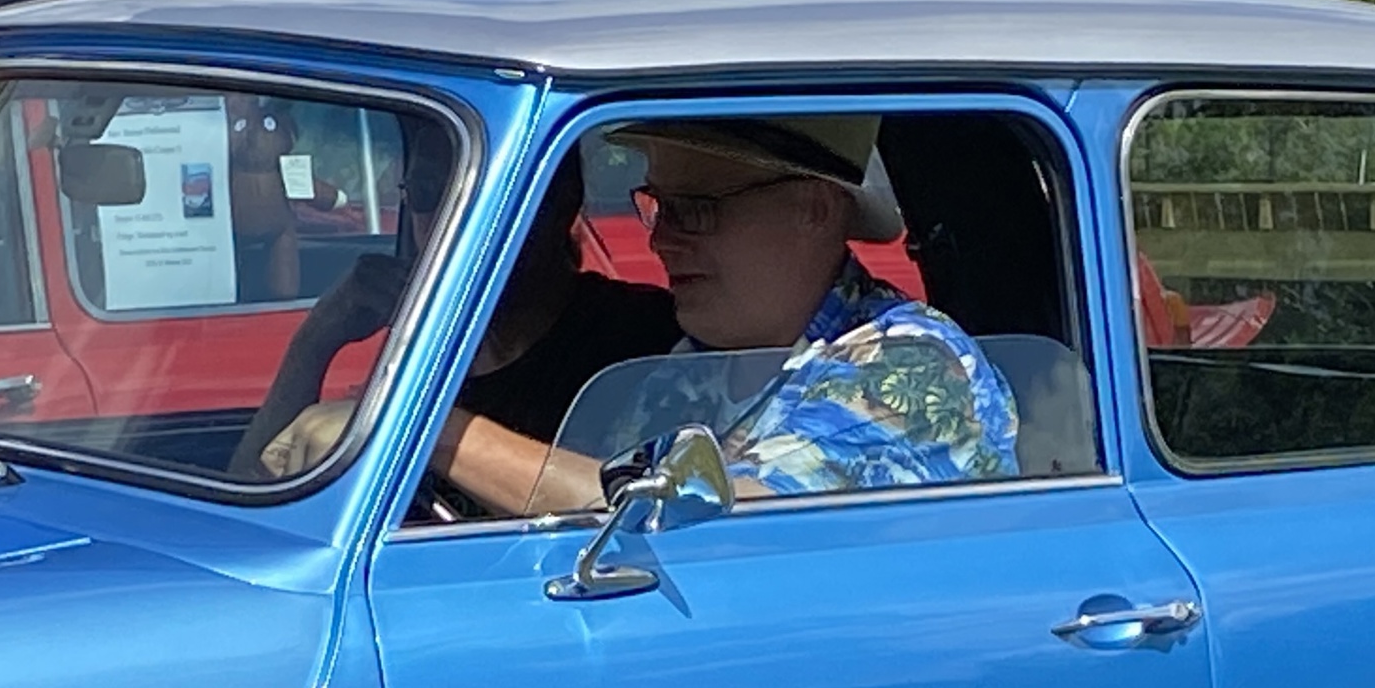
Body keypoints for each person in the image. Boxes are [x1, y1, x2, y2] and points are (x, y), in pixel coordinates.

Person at [422, 114, 1019, 516]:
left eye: (696, 210)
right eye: (659, 207)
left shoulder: (910, 364)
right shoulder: (687, 369)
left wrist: (435, 433)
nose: (661, 241)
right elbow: (582, 513)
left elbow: (709, 530)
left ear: (813, 208)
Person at [238, 144, 678, 482]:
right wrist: (316, 341)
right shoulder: (424, 348)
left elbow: (630, 509)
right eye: (427, 192)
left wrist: (414, 428)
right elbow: (252, 490)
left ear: (563, 199)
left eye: (481, 196)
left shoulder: (642, 338)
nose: (446, 218)